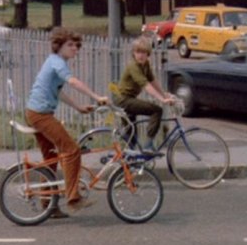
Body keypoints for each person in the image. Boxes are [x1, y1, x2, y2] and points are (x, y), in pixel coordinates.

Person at [25, 27, 108, 216]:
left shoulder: (55, 62)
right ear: (59, 46)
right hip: (40, 115)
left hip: (35, 113)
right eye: (70, 45)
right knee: (71, 150)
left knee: (51, 159)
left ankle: (50, 206)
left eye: (77, 46)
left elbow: (58, 91)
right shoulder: (57, 62)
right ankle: (73, 197)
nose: (75, 49)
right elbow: (73, 82)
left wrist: (78, 107)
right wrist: (96, 96)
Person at [114, 36, 176, 154]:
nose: (141, 55)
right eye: (138, 52)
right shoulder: (133, 66)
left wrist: (164, 95)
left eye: (144, 52)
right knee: (156, 110)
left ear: (148, 54)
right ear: (133, 53)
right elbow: (145, 85)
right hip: (123, 100)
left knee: (131, 135)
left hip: (129, 99)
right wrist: (161, 100)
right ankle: (148, 145)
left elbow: (152, 81)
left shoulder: (145, 64)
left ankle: (129, 163)